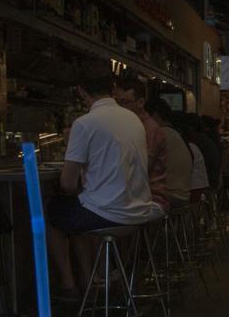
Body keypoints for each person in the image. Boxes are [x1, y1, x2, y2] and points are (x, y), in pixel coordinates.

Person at [49, 70, 158, 301]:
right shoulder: (134, 119)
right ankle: (91, 281)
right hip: (139, 211)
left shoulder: (84, 123)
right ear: (112, 88)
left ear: (80, 91)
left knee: (52, 216)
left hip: (108, 215)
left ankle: (70, 286)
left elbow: (67, 184)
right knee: (75, 213)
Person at [113, 77, 170, 216]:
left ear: (140, 102)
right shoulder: (128, 126)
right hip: (133, 195)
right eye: (117, 103)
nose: (120, 108)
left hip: (150, 197)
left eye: (124, 102)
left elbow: (141, 168)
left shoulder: (150, 129)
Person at [148, 97, 192, 209]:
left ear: (155, 117)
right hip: (183, 196)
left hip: (168, 197)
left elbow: (145, 165)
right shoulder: (174, 134)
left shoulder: (160, 134)